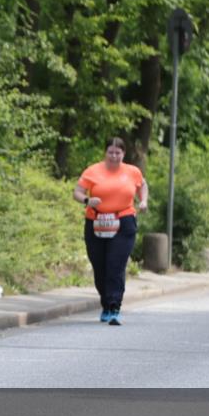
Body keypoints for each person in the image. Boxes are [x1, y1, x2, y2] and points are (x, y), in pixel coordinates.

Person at [73, 137, 148, 326]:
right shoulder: (93, 171)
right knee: (100, 265)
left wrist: (143, 200)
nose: (114, 156)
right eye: (111, 152)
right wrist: (87, 201)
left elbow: (143, 185)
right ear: (105, 153)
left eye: (118, 153)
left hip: (124, 220)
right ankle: (105, 304)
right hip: (96, 220)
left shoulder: (132, 171)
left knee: (116, 264)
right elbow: (78, 192)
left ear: (123, 154)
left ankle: (114, 307)